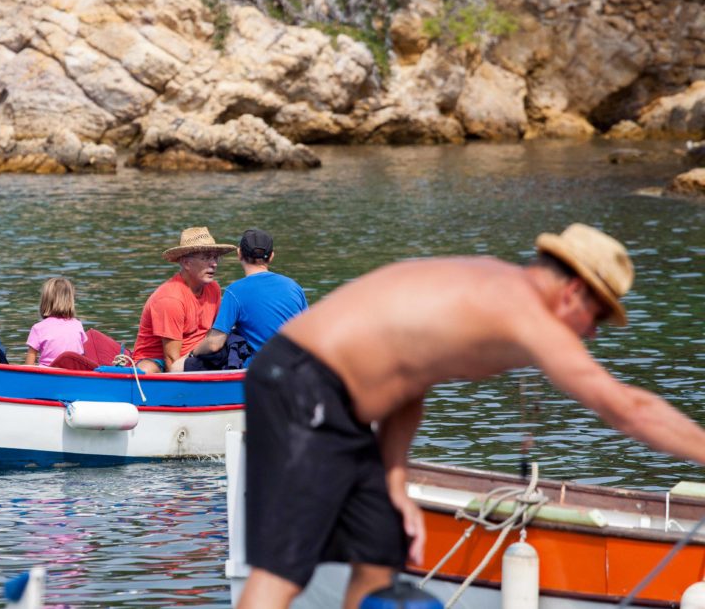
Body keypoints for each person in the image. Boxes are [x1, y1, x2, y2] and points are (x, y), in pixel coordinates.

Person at [237, 223, 705, 609]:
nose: (594, 335)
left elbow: (409, 375)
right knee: (282, 570)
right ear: (575, 292)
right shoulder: (523, 312)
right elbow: (627, 409)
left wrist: (394, 481)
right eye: (597, 319)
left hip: (336, 406)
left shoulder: (486, 286)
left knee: (380, 551)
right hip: (299, 383)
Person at [182, 228, 307, 371]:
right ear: (271, 256)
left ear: (239, 253)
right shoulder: (294, 286)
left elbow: (214, 344)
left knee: (188, 364)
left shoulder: (235, 291)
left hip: (260, 371)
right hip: (296, 366)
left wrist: (192, 353)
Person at [132, 227, 236, 373]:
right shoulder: (170, 299)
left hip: (197, 355)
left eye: (215, 257)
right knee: (147, 369)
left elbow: (214, 336)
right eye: (206, 258)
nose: (214, 264)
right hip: (161, 361)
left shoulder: (214, 288)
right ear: (186, 263)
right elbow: (172, 362)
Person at [24, 277, 87, 366]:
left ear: (45, 302)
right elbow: (82, 357)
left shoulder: (38, 328)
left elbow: (29, 366)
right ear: (70, 301)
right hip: (73, 373)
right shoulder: (77, 325)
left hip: (47, 375)